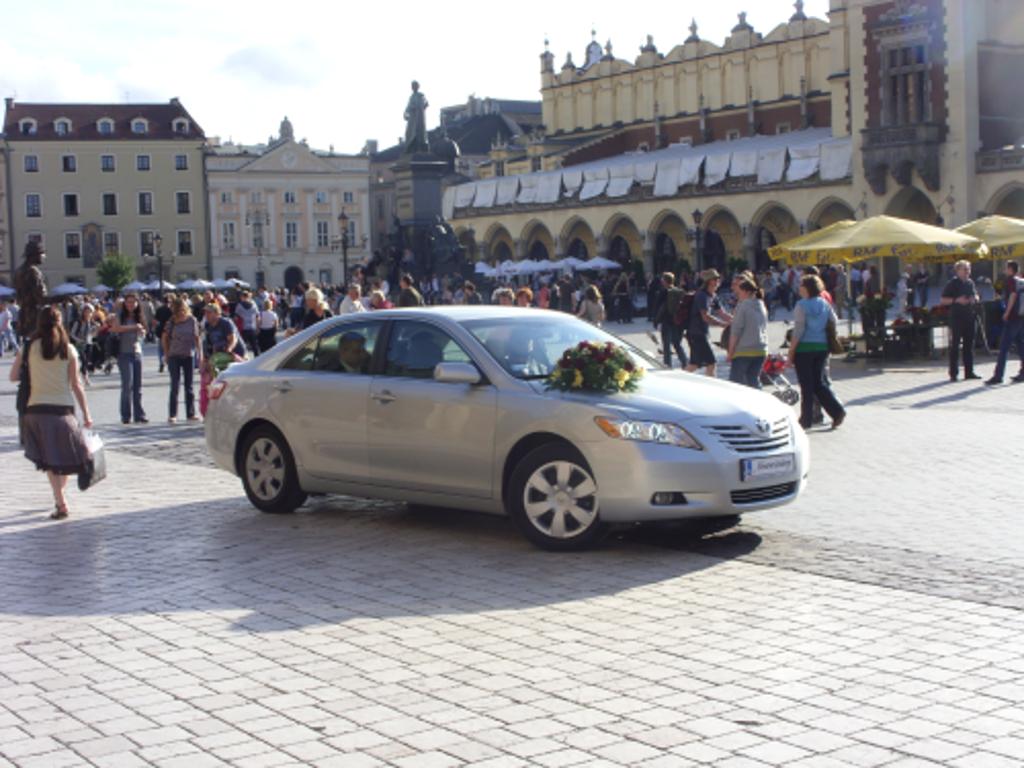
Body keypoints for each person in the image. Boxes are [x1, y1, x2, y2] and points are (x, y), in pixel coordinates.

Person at [10, 305, 93, 519]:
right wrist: (86, 413)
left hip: (35, 408)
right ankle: (60, 499)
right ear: (60, 322)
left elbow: (13, 376)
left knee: (50, 459)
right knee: (62, 459)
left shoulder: (28, 347)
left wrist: (35, 372)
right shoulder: (68, 349)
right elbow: (76, 385)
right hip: (63, 410)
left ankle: (60, 500)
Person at [789, 275, 846, 429]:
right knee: (819, 383)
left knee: (806, 385)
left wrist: (791, 351)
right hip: (821, 347)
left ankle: (805, 419)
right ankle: (837, 411)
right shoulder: (825, 304)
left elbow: (799, 330)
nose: (799, 287)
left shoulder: (801, 305)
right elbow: (834, 321)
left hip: (804, 348)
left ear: (806, 288)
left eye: (801, 284)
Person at [162, 297, 202, 423]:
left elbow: (197, 338)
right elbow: (164, 338)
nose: (181, 313)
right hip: (174, 355)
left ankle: (190, 413)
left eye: (182, 310)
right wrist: (166, 354)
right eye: (178, 311)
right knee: (175, 385)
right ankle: (172, 414)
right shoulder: (171, 322)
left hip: (188, 355)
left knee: (189, 386)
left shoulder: (192, 320)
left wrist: (200, 354)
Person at [110, 294, 148, 424]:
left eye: (133, 302)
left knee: (138, 386)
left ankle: (139, 414)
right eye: (128, 302)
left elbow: (144, 331)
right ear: (124, 304)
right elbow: (115, 328)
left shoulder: (139, 316)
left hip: (137, 352)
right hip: (124, 353)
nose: (131, 305)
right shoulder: (120, 315)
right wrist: (133, 327)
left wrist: (142, 332)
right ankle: (125, 415)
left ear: (137, 303)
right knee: (127, 384)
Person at [940, 260, 981, 382]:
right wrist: (956, 300)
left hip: (969, 317)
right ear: (957, 271)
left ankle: (969, 372)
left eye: (969, 269)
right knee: (955, 346)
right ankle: (953, 373)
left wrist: (975, 298)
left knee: (969, 346)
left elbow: (976, 295)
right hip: (956, 318)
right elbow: (943, 300)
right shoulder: (952, 283)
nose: (967, 271)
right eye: (965, 269)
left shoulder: (970, 282)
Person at [986, 261, 1024, 385]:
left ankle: (998, 375)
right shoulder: (1020, 281)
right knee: (1020, 345)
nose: (1004, 270)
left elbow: (1012, 295)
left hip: (1012, 316)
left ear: (1010, 269)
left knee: (1004, 347)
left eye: (1006, 268)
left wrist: (1007, 312)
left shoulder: (1010, 281)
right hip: (1020, 316)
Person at [687, 269, 731, 376]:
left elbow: (721, 313)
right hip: (697, 333)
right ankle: (711, 387)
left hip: (700, 333)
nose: (718, 281)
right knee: (712, 363)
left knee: (695, 364)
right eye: (715, 279)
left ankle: (677, 381)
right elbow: (705, 316)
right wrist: (722, 324)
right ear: (709, 281)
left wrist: (736, 320)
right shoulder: (702, 295)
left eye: (718, 278)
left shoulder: (713, 295)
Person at [727, 278, 769, 388]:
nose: (738, 296)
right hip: (761, 349)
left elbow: (736, 331)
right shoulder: (761, 305)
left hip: (744, 350)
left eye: (739, 293)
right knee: (753, 380)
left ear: (746, 292)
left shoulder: (743, 306)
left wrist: (730, 352)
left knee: (735, 383)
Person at [653, 272, 688, 369]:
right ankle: (684, 361)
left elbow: (659, 307)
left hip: (666, 320)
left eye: (662, 279)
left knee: (666, 344)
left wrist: (656, 320)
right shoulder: (679, 291)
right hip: (677, 321)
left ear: (664, 281)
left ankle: (667, 364)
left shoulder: (664, 292)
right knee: (676, 343)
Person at [14, 241, 47, 343]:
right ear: (35, 255)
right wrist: (62, 297)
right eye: (42, 254)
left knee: (27, 350)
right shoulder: (33, 272)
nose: (44, 257)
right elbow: (41, 299)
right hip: (35, 318)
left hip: (24, 317)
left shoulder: (19, 271)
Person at [69, 303, 100, 385]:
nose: (88, 314)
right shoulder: (78, 322)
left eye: (90, 312)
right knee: (82, 360)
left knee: (86, 361)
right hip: (79, 345)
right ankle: (84, 378)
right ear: (82, 312)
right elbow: (72, 334)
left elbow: (93, 335)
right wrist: (79, 340)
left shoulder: (92, 323)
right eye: (86, 312)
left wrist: (96, 329)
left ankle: (83, 376)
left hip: (89, 343)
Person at [234, 290, 261, 355]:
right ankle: (257, 358)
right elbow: (257, 316)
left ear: (242, 297)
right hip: (252, 327)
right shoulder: (254, 305)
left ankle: (244, 358)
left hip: (243, 328)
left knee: (242, 345)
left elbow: (236, 317)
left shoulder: (239, 306)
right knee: (254, 345)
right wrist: (258, 327)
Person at [154, 293, 174, 373]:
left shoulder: (159, 309)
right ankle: (169, 362)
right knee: (169, 348)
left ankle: (161, 362)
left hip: (161, 329)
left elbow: (155, 321)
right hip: (170, 331)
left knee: (160, 349)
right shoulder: (172, 310)